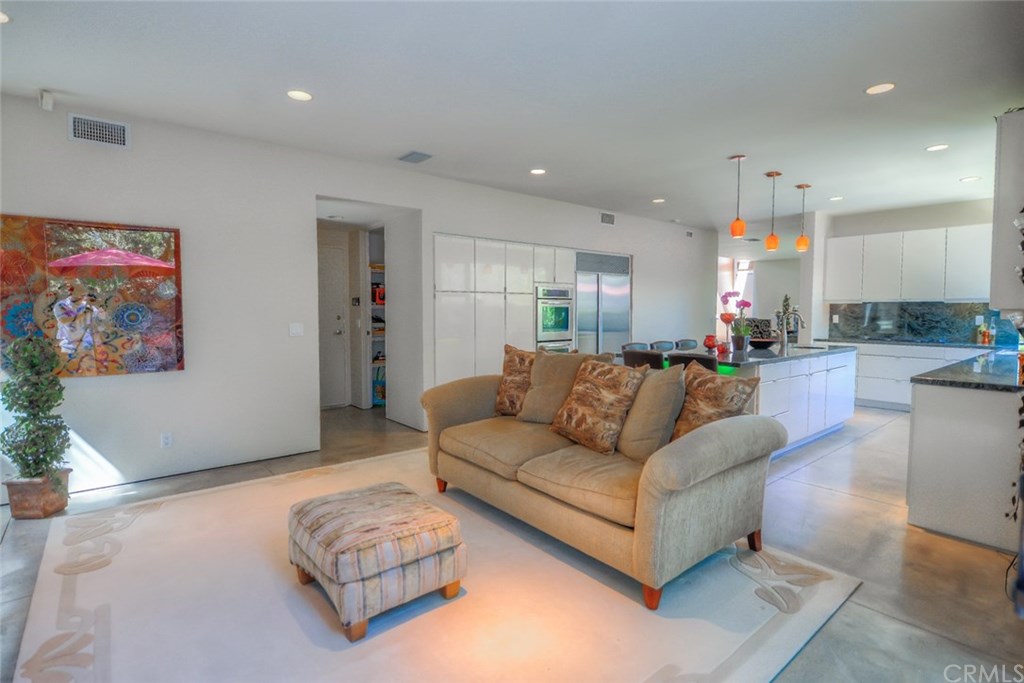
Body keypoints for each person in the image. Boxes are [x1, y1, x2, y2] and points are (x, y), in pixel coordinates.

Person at [53, 288, 102, 356]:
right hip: (68, 343)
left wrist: (98, 307)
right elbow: (63, 320)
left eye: (84, 295)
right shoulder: (61, 305)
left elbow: (100, 321)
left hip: (86, 344)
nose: (82, 297)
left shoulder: (89, 307)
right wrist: (83, 314)